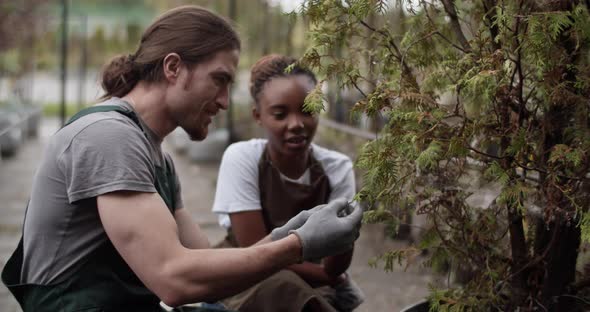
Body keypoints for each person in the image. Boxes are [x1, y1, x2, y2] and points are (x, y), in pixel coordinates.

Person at [0, 6, 363, 312]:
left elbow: (204, 264)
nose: (223, 101)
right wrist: (299, 246)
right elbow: (174, 278)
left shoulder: (159, 158)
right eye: (219, 80)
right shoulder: (109, 137)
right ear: (173, 68)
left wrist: (287, 235)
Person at [212, 55, 365, 312]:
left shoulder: (336, 168)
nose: (296, 124)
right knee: (287, 290)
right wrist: (329, 276)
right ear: (258, 116)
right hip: (246, 272)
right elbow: (254, 251)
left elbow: (337, 262)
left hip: (313, 277)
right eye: (280, 114)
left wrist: (332, 272)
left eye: (308, 110)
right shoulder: (242, 158)